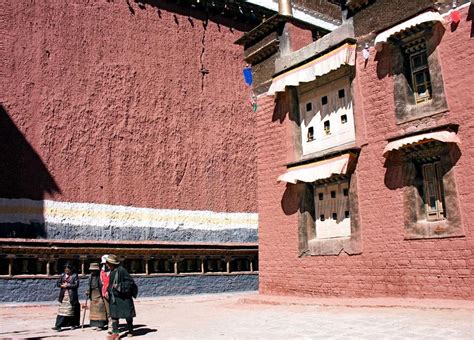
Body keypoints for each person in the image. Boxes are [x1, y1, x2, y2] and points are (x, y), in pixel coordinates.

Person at [106, 254, 138, 338]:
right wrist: (108, 291)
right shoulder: (112, 271)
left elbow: (130, 282)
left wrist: (119, 286)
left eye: (107, 263)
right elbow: (111, 284)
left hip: (124, 297)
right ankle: (115, 332)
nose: (106, 265)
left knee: (128, 315)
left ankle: (130, 330)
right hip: (115, 297)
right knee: (114, 315)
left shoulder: (122, 270)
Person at [52, 263, 80, 331]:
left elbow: (76, 285)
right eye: (65, 269)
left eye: (68, 269)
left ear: (71, 269)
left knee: (70, 311)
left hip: (71, 295)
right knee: (62, 310)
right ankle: (58, 325)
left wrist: (68, 285)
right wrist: (62, 285)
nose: (66, 270)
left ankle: (73, 324)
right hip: (64, 296)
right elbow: (58, 283)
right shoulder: (62, 275)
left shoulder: (74, 276)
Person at [86, 262, 107, 330]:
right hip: (93, 294)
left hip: (99, 293)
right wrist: (88, 291)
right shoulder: (90, 276)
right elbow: (88, 284)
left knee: (101, 309)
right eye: (92, 270)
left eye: (94, 270)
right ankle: (94, 324)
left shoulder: (100, 276)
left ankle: (101, 325)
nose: (93, 271)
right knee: (93, 310)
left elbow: (103, 284)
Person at [100, 255, 113, 332]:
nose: (105, 265)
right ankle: (110, 325)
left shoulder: (114, 271)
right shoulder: (102, 272)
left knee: (114, 310)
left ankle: (113, 326)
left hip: (113, 293)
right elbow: (102, 282)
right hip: (104, 293)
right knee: (108, 311)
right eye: (104, 264)